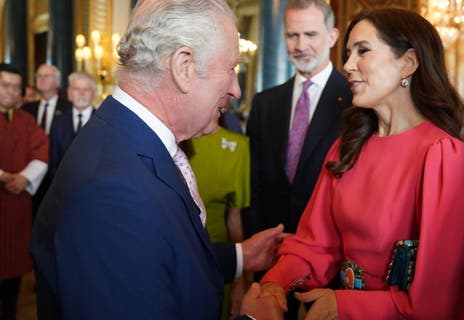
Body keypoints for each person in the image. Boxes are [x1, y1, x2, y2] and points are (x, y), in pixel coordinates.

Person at [30, 1, 285, 319]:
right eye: (230, 68)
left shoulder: (128, 138)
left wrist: (239, 256)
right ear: (184, 67)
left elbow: (154, 255)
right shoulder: (115, 194)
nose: (235, 88)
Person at [259, 8, 464, 319]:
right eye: (347, 53)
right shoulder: (347, 147)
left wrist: (343, 305)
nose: (347, 66)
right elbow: (315, 244)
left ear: (408, 63)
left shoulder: (444, 156)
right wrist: (275, 283)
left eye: (363, 51)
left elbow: (440, 299)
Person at [246, 0, 352, 236]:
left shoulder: (355, 101)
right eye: (292, 35)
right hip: (271, 246)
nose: (301, 45)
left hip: (329, 247)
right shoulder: (264, 103)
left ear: (333, 36)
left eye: (311, 34)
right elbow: (254, 184)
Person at [189, 113, 251, 319]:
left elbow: (235, 219)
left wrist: (240, 280)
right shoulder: (173, 138)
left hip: (218, 260)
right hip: (172, 257)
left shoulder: (238, 147)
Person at [0, 63, 48, 320]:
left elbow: (42, 150)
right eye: (5, 85)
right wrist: (4, 176)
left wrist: (23, 177)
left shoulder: (26, 120)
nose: (11, 92)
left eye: (16, 87)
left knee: (13, 274)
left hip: (17, 208)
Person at [21, 64, 72, 218]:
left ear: (57, 82)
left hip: (59, 176)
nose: (41, 79)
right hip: (31, 177)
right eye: (39, 76)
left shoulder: (70, 108)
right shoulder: (27, 109)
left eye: (46, 76)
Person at [47, 72, 96, 184]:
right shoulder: (57, 122)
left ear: (94, 94)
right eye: (76, 89)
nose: (81, 93)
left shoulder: (105, 122)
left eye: (86, 89)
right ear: (69, 93)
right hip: (63, 188)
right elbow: (53, 161)